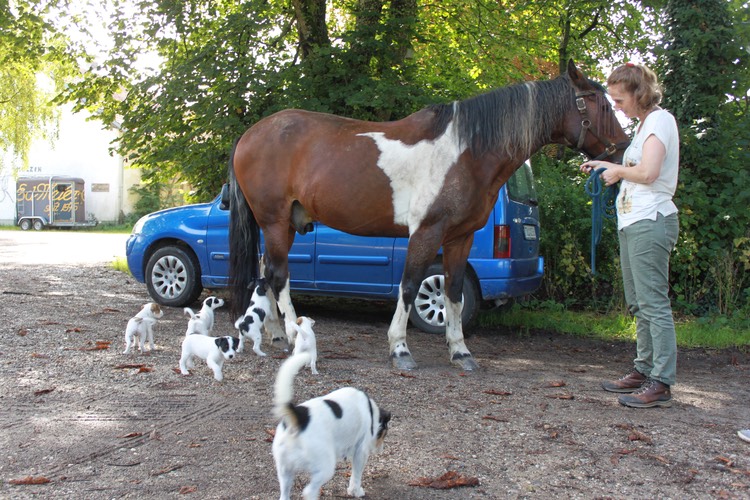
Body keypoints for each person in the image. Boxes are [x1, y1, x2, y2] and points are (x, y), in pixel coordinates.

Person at [581, 63, 680, 409]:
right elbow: (635, 170)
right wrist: (604, 167)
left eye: (620, 100)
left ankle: (662, 381)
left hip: (651, 220)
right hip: (633, 221)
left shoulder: (659, 121)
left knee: (654, 303)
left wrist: (617, 170)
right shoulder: (642, 128)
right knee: (639, 302)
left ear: (639, 93)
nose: (617, 106)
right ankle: (643, 370)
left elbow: (650, 172)